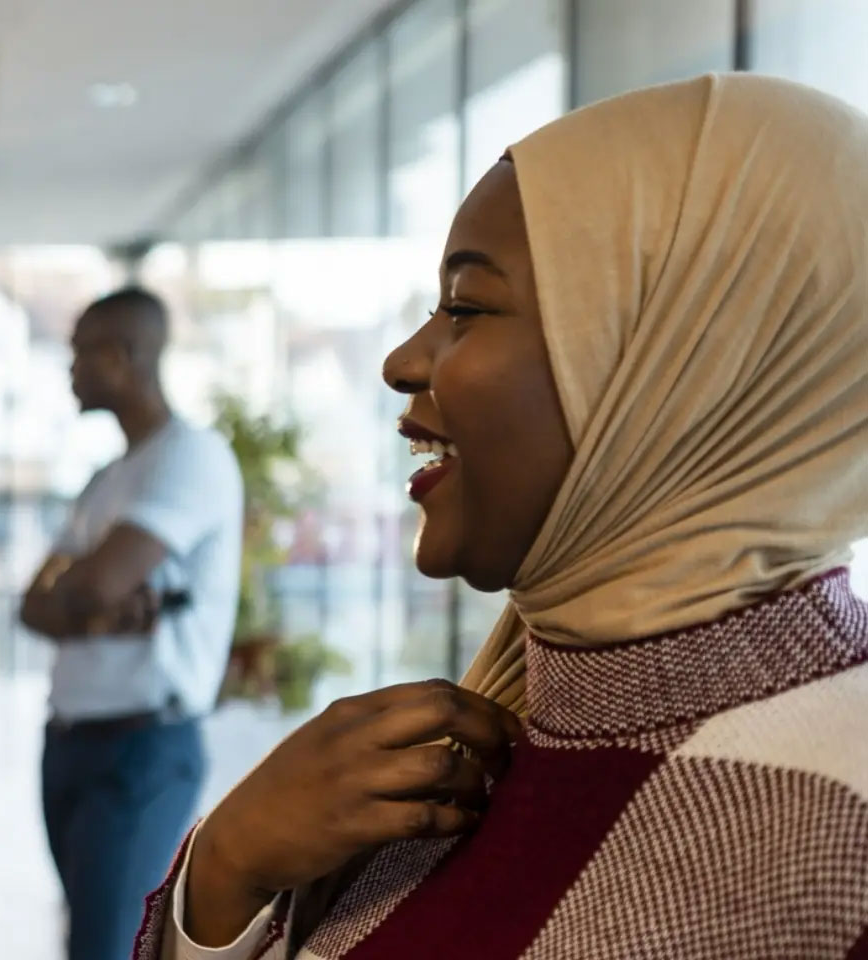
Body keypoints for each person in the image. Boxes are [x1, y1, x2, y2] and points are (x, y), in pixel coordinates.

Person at [150, 74, 868, 959]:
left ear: (685, 370)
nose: (402, 360)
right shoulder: (471, 741)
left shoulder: (839, 824)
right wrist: (224, 874)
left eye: (467, 307)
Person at [18, 288, 242, 960]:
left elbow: (89, 583)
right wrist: (97, 609)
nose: (70, 370)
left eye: (80, 352)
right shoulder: (109, 476)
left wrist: (87, 598)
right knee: (87, 938)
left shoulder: (189, 456)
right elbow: (33, 605)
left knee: (107, 946)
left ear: (121, 356)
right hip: (72, 742)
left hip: (140, 749)